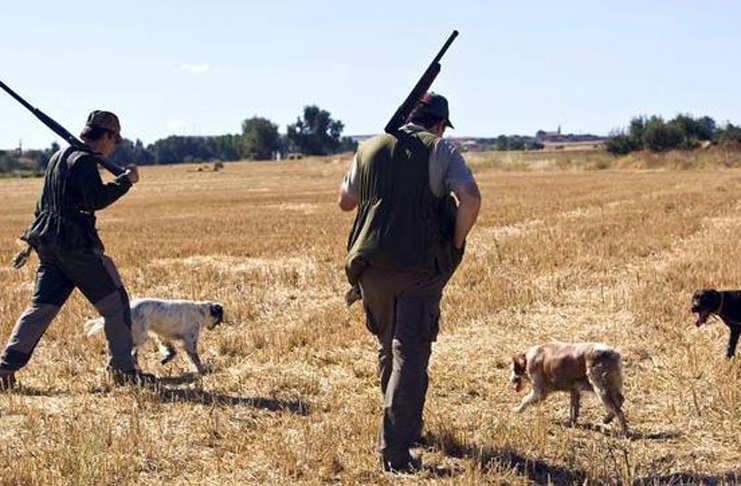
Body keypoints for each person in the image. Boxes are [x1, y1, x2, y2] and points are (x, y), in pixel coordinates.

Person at [338, 93, 481, 472]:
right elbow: (469, 197)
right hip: (419, 268)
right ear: (438, 124)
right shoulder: (441, 150)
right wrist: (456, 240)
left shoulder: (368, 147)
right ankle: (395, 452)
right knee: (411, 354)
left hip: (369, 267)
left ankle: (404, 425)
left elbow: (345, 202)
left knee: (389, 348)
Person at [0, 111, 156, 389]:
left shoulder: (57, 157)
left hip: (48, 245)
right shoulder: (84, 161)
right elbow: (95, 199)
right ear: (106, 136)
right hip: (77, 248)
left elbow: (42, 207)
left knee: (40, 309)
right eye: (114, 141)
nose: (112, 147)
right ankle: (123, 371)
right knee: (115, 304)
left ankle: (4, 369)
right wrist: (126, 181)